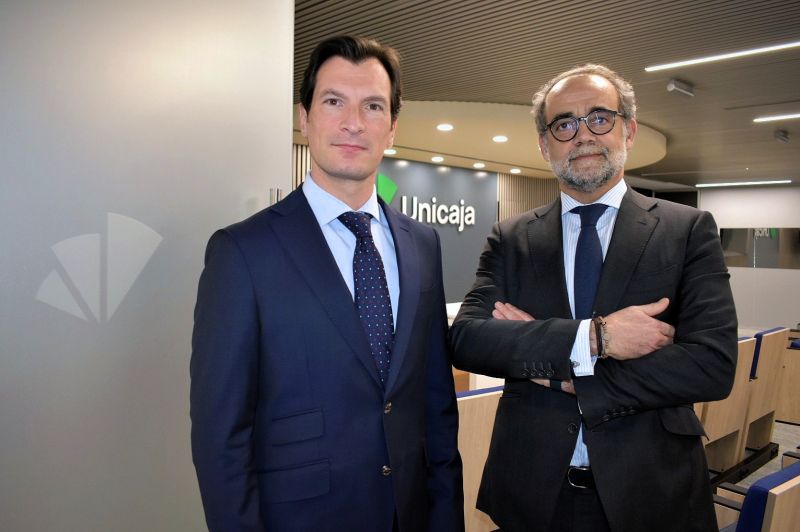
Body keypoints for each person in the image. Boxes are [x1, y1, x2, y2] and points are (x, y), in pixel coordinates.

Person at [190, 36, 464, 532]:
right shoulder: (243, 252)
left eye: (373, 106)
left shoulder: (423, 245)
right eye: (334, 101)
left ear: (392, 127)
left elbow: (436, 408)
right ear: (305, 117)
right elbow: (220, 436)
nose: (353, 122)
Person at [450, 64, 737, 532]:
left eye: (600, 118)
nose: (583, 134)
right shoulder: (511, 238)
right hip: (534, 492)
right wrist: (595, 338)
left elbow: (711, 365)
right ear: (545, 145)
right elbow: (467, 340)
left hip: (652, 491)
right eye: (564, 124)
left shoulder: (686, 230)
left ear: (629, 130)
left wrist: (567, 375)